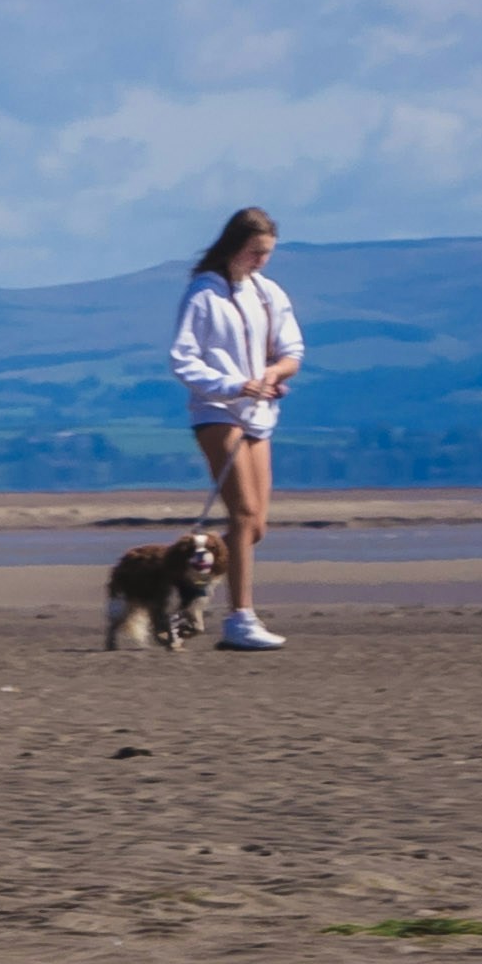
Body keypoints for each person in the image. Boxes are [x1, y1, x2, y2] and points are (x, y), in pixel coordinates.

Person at [171, 208, 296, 646]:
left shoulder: (269, 294)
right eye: (254, 252)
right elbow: (183, 359)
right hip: (216, 411)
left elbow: (291, 351)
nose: (261, 260)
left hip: (259, 415)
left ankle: (191, 583)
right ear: (234, 246)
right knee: (241, 514)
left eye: (267, 254)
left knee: (256, 526)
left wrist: (274, 376)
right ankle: (240, 618)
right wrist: (235, 385)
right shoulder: (203, 294)